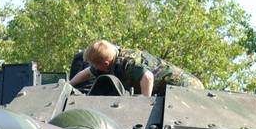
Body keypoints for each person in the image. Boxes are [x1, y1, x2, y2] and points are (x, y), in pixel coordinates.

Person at [68, 39, 204, 96]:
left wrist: (144, 105)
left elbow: (148, 77)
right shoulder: (108, 61)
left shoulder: (127, 62)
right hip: (168, 90)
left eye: (94, 64)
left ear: (105, 64)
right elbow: (87, 73)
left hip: (185, 88)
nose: (92, 67)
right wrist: (69, 84)